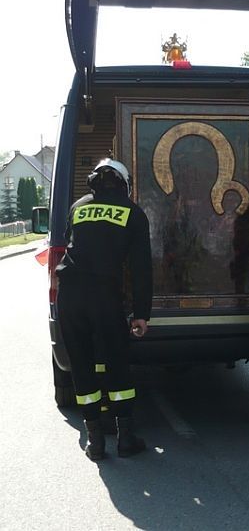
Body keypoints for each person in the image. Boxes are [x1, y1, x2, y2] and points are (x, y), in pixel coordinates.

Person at [55, 158, 152, 460]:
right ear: (124, 184)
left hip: (69, 297)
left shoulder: (77, 207)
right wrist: (141, 313)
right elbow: (140, 269)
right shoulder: (133, 213)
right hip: (104, 296)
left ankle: (94, 441)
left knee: (82, 366)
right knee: (117, 363)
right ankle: (126, 438)